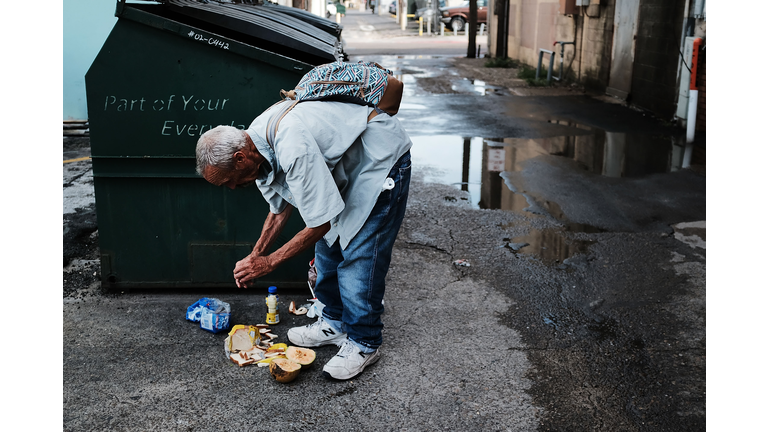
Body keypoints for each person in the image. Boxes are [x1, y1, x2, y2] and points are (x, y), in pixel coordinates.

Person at [195, 99, 412, 380]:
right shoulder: (254, 150)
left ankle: (365, 342)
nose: (234, 187)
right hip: (345, 169)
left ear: (240, 158)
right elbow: (278, 211)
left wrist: (269, 263)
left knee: (360, 257)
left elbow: (319, 222)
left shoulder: (291, 147)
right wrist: (255, 256)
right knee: (328, 248)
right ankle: (334, 322)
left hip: (379, 161)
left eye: (230, 181)